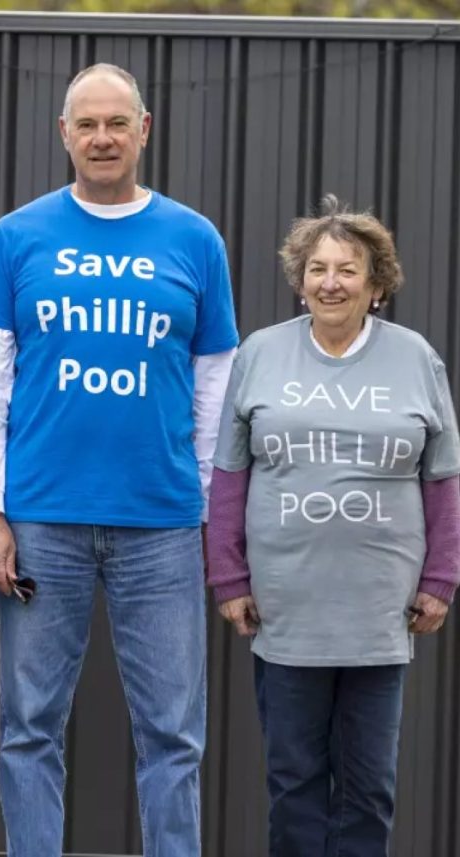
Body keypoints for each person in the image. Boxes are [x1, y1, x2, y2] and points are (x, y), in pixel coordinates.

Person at [0, 63, 239, 855]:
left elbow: (215, 389)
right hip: (41, 519)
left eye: (118, 122)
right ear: (64, 135)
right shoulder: (17, 236)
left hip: (163, 525)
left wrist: (207, 506)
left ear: (144, 130)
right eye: (87, 124)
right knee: (28, 726)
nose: (103, 137)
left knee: (173, 734)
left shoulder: (194, 239)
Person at [207, 196, 460, 857]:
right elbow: (229, 476)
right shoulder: (262, 353)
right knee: (294, 779)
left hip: (380, 610)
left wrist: (441, 575)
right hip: (287, 607)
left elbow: (443, 478)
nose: (330, 282)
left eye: (348, 270)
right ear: (298, 279)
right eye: (317, 268)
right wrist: (228, 576)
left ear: (377, 283)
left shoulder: (415, 358)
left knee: (368, 782)